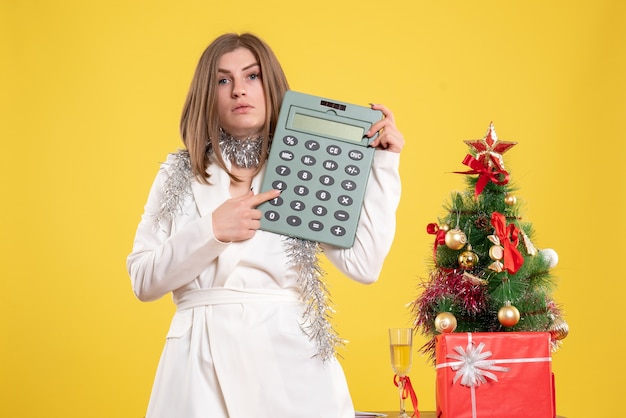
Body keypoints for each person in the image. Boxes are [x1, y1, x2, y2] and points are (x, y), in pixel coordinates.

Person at [127, 32, 405, 418]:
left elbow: (364, 266)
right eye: (224, 80)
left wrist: (384, 167)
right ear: (208, 95)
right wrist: (212, 230)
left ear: (271, 86)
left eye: (252, 76)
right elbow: (143, 279)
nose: (239, 90)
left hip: (290, 366)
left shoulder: (305, 168)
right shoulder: (178, 173)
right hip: (196, 366)